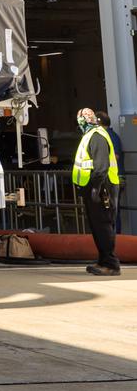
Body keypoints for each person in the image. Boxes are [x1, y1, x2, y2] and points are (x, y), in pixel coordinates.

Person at [72, 106, 121, 276]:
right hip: (98, 188)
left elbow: (101, 167)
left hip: (102, 189)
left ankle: (110, 264)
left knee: (103, 226)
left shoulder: (96, 136)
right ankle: (103, 261)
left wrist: (95, 188)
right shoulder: (91, 135)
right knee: (99, 227)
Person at [97, 111, 124, 234]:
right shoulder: (110, 136)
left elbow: (116, 156)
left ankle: (114, 239)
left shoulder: (109, 137)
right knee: (110, 211)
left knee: (111, 211)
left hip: (112, 180)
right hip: (112, 179)